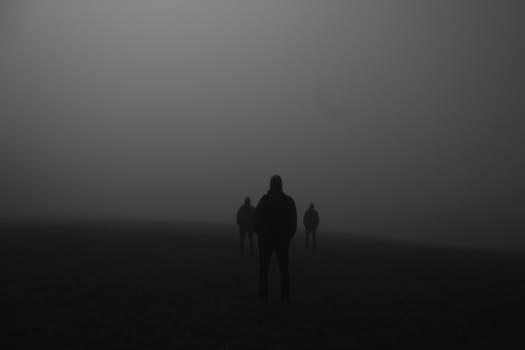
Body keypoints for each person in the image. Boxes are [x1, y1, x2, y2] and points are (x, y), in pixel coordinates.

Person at [254, 175, 297, 304]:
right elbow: (293, 223)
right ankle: (284, 296)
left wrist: (261, 233)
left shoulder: (265, 200)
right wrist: (287, 236)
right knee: (283, 269)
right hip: (279, 240)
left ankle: (264, 295)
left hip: (268, 240)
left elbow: (256, 218)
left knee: (265, 269)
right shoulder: (288, 200)